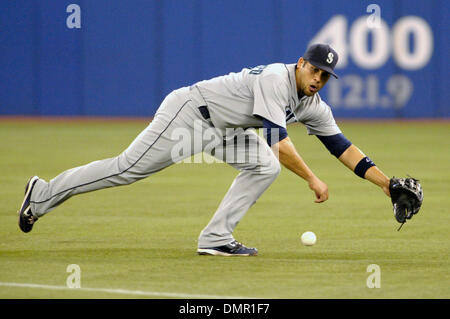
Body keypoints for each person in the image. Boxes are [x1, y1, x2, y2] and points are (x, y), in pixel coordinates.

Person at [17, 43, 391, 256]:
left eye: (325, 76)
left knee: (263, 166)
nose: (318, 79)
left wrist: (387, 185)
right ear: (301, 63)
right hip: (190, 115)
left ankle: (216, 239)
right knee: (126, 169)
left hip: (225, 129)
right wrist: (312, 179)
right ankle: (43, 193)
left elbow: (341, 146)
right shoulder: (278, 80)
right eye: (314, 70)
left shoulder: (313, 104)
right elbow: (278, 140)